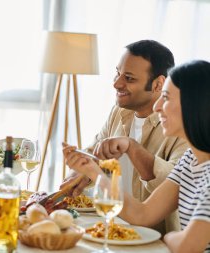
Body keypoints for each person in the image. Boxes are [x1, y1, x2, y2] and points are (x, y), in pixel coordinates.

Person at [63, 60, 210, 252]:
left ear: (193, 105)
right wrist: (93, 170)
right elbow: (143, 214)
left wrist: (173, 237)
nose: (157, 107)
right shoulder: (191, 159)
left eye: (165, 98)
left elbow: (187, 246)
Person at [61, 40, 188, 234]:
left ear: (158, 84)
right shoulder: (119, 112)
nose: (116, 83)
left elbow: (178, 185)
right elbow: (94, 152)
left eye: (128, 78)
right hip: (111, 229)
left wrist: (132, 147)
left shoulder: (180, 126)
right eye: (117, 73)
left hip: (155, 240)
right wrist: (80, 171)